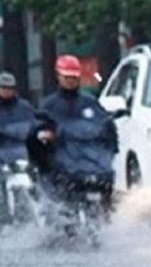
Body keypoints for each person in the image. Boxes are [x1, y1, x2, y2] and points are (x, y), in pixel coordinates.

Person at [30, 54, 118, 208]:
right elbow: (37, 128)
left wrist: (107, 148)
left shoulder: (89, 102)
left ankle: (106, 211)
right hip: (61, 159)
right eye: (67, 77)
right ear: (58, 77)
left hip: (89, 159)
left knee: (105, 179)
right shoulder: (49, 104)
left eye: (74, 77)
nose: (71, 81)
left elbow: (104, 123)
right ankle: (57, 211)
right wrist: (44, 135)